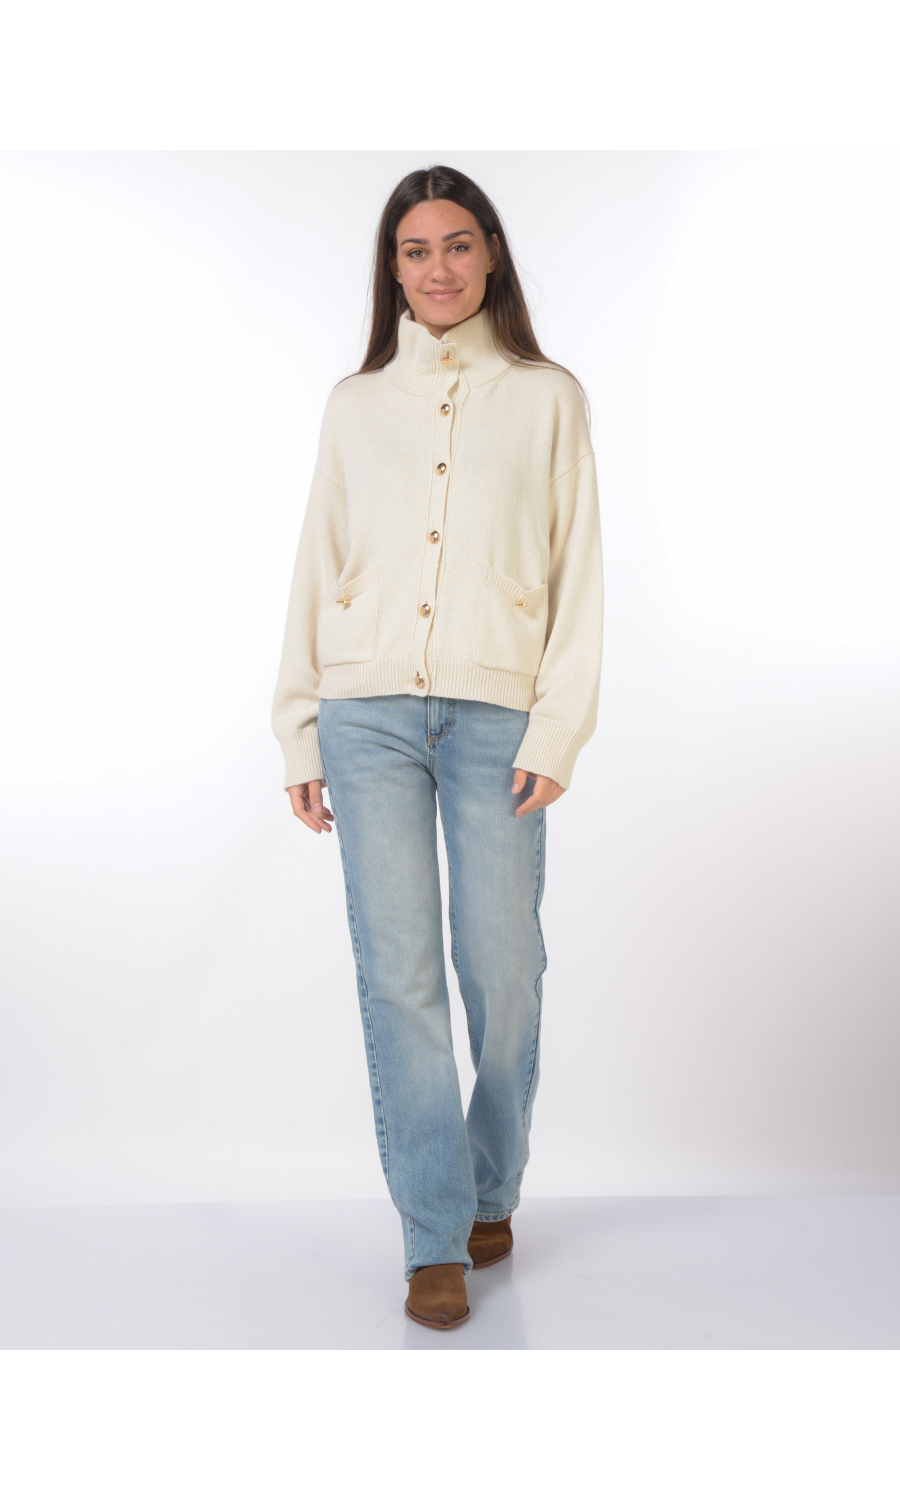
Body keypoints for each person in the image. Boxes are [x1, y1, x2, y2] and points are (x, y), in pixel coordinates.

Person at [271, 164, 604, 1330]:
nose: (439, 268)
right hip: (364, 713)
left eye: (457, 244)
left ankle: (490, 1186)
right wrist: (300, 724)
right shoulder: (356, 404)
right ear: (393, 269)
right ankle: (434, 1233)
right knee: (398, 975)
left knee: (505, 969)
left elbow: (578, 569)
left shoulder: (547, 397)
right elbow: (319, 557)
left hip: (497, 716)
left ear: (491, 252)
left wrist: (559, 724)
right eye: (415, 251)